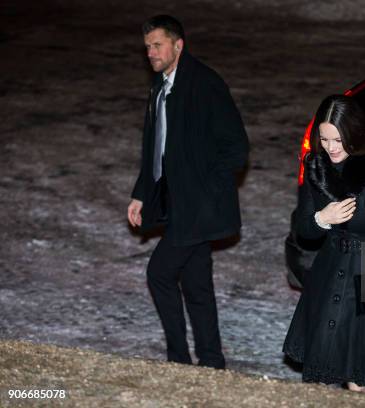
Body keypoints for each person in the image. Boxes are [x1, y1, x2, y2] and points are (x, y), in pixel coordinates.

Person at [127, 15, 249, 368]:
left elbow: (236, 149)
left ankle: (177, 360)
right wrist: (141, 193)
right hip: (178, 204)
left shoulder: (205, 84)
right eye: (147, 46)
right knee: (197, 285)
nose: (150, 52)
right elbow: (156, 149)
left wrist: (205, 192)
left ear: (178, 45)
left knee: (159, 274)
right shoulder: (161, 85)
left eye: (157, 45)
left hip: (198, 207)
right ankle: (212, 362)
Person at [283, 95, 365, 392]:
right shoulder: (317, 167)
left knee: (360, 378)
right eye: (324, 139)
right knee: (319, 375)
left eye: (337, 140)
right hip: (330, 269)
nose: (330, 147)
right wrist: (322, 218)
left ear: (354, 134)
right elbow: (305, 231)